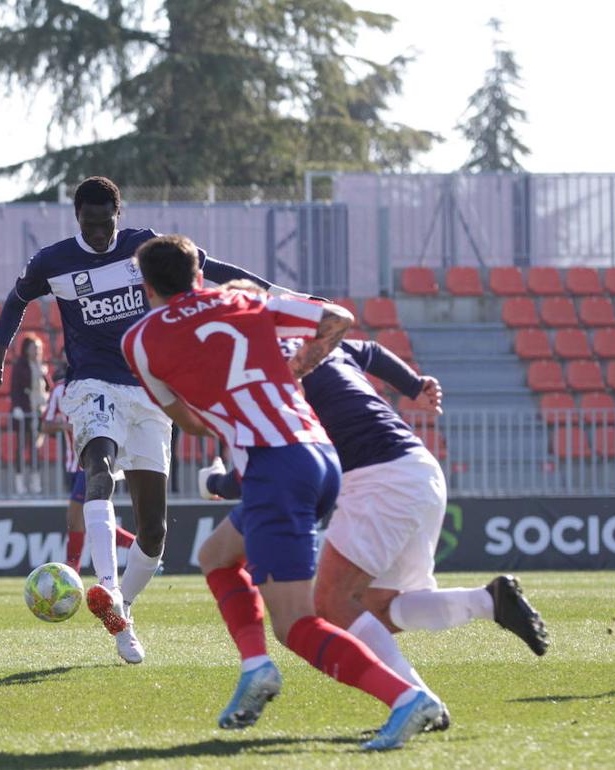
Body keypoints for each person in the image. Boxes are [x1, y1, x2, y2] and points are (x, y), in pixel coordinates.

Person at [122, 235, 441, 751]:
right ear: (198, 276)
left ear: (147, 286)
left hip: (273, 466)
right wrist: (295, 369)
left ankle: (407, 698)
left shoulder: (138, 338)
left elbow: (182, 417)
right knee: (217, 556)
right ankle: (255, 667)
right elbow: (337, 319)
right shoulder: (240, 297)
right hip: (319, 453)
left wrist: (223, 415)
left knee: (296, 624)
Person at [0, 176, 299, 664]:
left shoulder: (140, 247)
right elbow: (16, 300)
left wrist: (270, 291)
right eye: (90, 224)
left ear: (118, 216)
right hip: (90, 384)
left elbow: (206, 267)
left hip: (149, 386)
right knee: (98, 468)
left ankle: (121, 606)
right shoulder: (54, 262)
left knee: (153, 531)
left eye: (107, 224)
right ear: (77, 218)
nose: (101, 233)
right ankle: (105, 587)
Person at [199, 281, 550, 731]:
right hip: (418, 469)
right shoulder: (316, 342)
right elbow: (372, 353)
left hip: (378, 480)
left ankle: (417, 701)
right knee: (381, 606)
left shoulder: (262, 367)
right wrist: (414, 385)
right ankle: (488, 602)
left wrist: (218, 481)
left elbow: (273, 464)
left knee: (331, 602)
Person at [40, 361, 137, 572]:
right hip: (72, 465)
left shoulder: (99, 386)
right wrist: (66, 425)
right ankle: (140, 548)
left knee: (75, 518)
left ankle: (71, 570)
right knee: (88, 519)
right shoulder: (60, 390)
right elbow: (45, 425)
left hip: (91, 463)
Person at [9, 333, 50, 494]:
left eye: (39, 348)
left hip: (38, 412)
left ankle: (35, 482)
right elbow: (15, 388)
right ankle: (19, 482)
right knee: (21, 446)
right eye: (34, 348)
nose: (37, 351)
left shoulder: (41, 366)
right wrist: (17, 407)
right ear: (26, 350)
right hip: (24, 411)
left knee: (35, 448)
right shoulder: (20, 366)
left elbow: (48, 386)